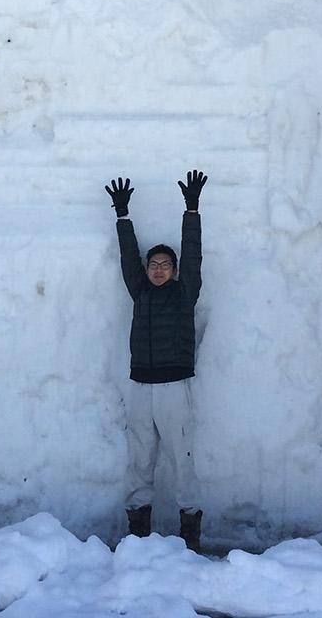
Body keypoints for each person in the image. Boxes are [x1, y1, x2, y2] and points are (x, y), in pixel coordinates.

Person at [104, 169, 208, 553]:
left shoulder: (185, 295)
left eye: (165, 264)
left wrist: (192, 210)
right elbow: (128, 258)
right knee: (139, 458)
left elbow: (194, 254)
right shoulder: (140, 292)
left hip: (174, 388)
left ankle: (190, 535)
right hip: (140, 387)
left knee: (181, 458)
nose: (158, 269)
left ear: (175, 270)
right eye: (154, 264)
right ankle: (138, 534)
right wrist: (122, 216)